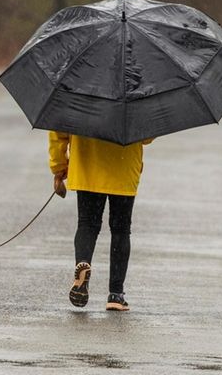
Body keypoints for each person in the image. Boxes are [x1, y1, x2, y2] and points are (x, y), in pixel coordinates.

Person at [49, 131, 153, 311]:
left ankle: (83, 264)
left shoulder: (77, 100)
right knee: (121, 229)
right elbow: (145, 136)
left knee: (87, 224)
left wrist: (58, 166)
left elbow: (58, 128)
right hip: (124, 163)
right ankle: (116, 295)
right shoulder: (132, 100)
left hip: (86, 161)